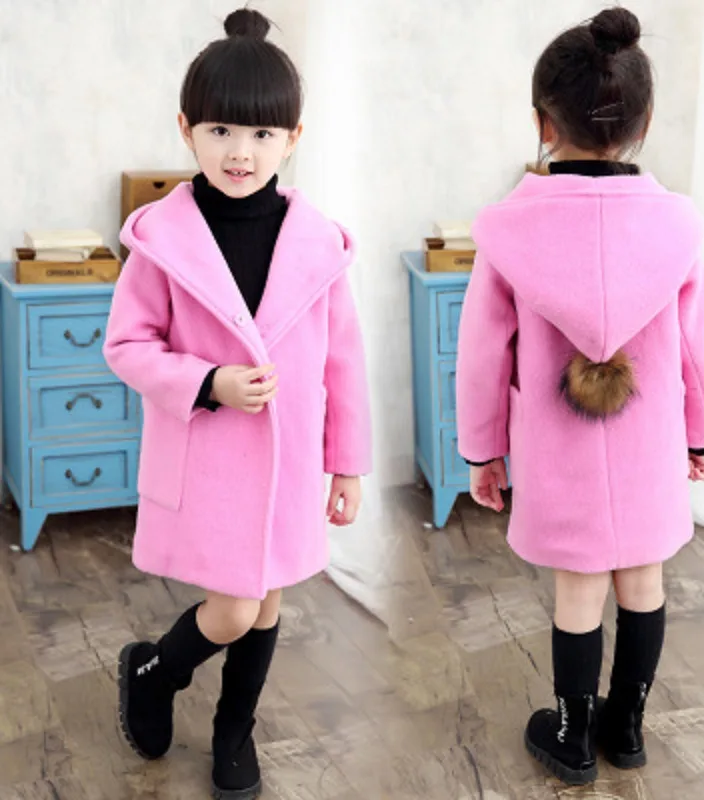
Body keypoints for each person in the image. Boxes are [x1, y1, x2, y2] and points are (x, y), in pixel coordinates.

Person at [103, 9, 371, 799]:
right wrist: (208, 382)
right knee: (231, 609)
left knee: (267, 601)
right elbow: (127, 345)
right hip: (210, 461)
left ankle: (233, 730)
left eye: (261, 134)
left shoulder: (318, 243)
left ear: (293, 138)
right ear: (186, 129)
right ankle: (155, 670)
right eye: (220, 131)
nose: (240, 152)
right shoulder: (162, 240)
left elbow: (344, 362)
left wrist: (347, 464)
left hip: (290, 461)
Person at [456, 7, 704, 787]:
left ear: (544, 124)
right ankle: (626, 727)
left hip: (558, 450)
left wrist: (483, 451)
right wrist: (701, 434)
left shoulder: (508, 230)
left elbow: (483, 356)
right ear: (644, 123)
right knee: (644, 581)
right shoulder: (677, 226)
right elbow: (698, 348)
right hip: (647, 446)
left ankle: (573, 736)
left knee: (577, 588)